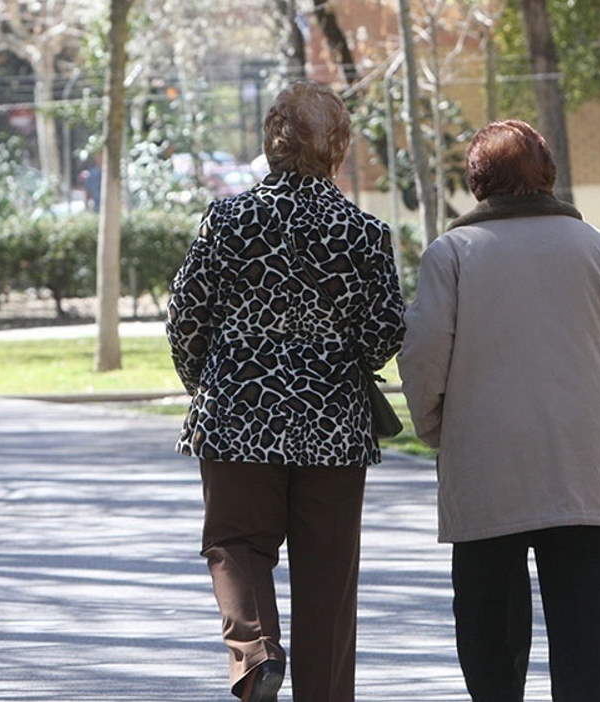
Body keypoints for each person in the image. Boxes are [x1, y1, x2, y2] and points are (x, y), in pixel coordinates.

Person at [398, 120, 600, 702]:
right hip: (582, 462)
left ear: (477, 183)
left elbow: (423, 355)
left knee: (490, 632)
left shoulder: (453, 254)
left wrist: (439, 427)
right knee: (585, 633)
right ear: (548, 177)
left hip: (486, 461)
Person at [166, 80, 405, 702]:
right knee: (328, 575)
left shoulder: (227, 219)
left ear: (271, 142)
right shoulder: (363, 233)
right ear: (338, 148)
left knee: (236, 544)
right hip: (331, 425)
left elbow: (186, 315)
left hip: (237, 415)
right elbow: (383, 331)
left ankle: (255, 654)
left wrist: (207, 383)